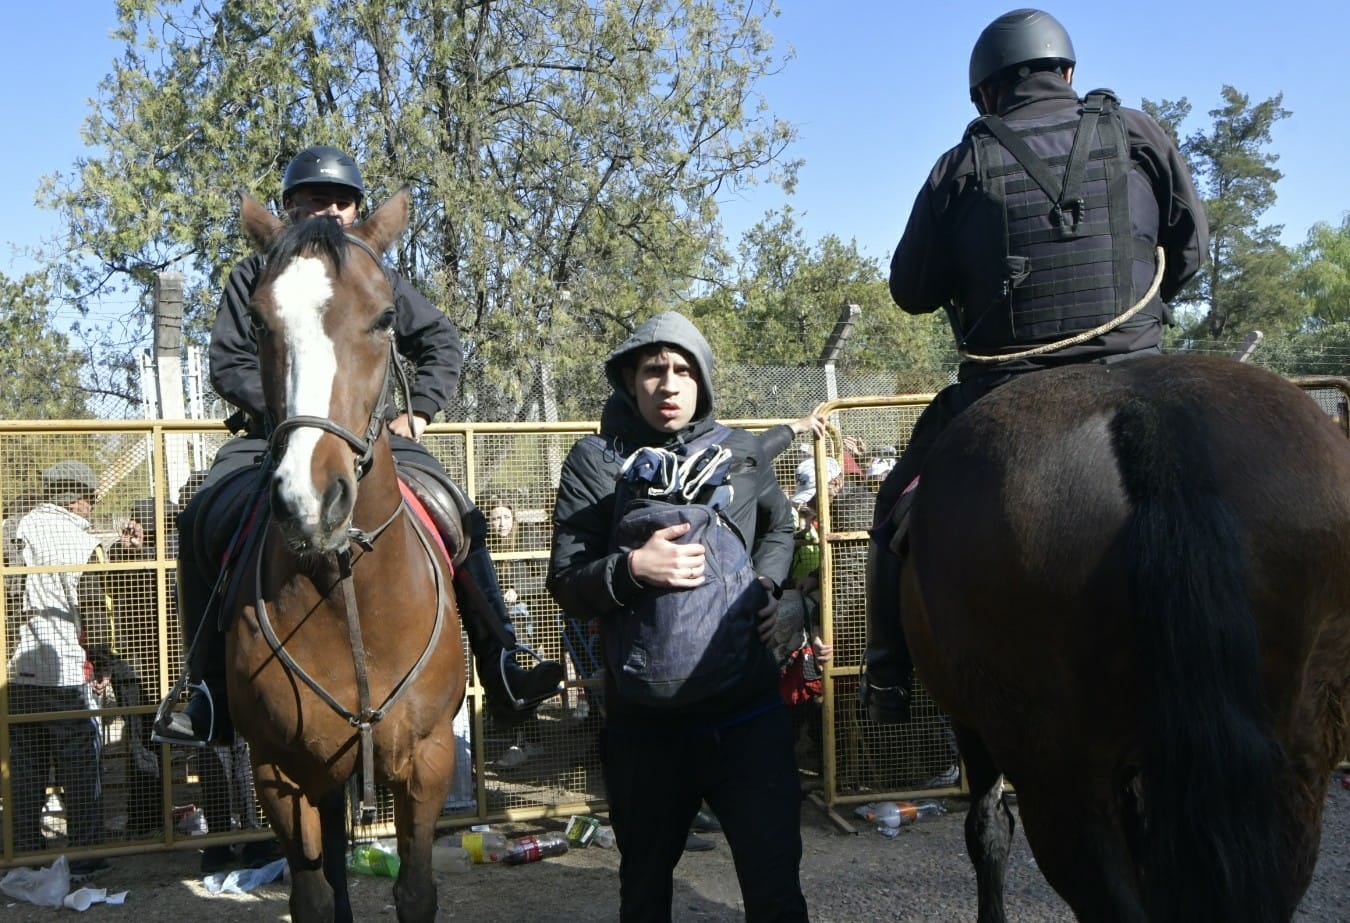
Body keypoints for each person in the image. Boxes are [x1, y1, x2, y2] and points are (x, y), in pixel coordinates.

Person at [861, 8, 1208, 723]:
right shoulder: (1140, 132)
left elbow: (909, 291)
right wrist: (1144, 314)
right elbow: (1193, 251)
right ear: (1069, 74)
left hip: (1005, 387)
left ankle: (888, 672)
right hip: (1141, 370)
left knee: (893, 506)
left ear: (984, 95)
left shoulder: (960, 164)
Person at [153, 144, 563, 745]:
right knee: (198, 519)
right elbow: (228, 361)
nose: (330, 211)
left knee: (458, 510)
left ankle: (504, 661)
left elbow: (442, 342)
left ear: (356, 210)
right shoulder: (254, 275)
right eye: (314, 199)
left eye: (341, 201)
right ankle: (207, 690)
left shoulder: (378, 275)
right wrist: (295, 415)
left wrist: (419, 410)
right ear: (289, 209)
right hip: (274, 433)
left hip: (369, 436)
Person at [548, 311, 808, 921]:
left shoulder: (738, 454)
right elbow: (565, 580)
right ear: (630, 381)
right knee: (643, 894)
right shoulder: (594, 462)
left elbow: (781, 527)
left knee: (774, 891)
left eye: (684, 371)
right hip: (645, 729)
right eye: (653, 370)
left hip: (748, 718)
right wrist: (634, 568)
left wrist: (770, 588)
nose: (669, 384)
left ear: (703, 382)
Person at [6, 460, 112, 877]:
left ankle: (25, 853)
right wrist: (101, 663)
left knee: (26, 765)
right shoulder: (80, 541)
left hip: (20, 664)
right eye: (90, 498)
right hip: (65, 668)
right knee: (81, 765)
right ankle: (86, 856)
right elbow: (93, 613)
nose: (91, 506)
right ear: (75, 498)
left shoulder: (16, 529)